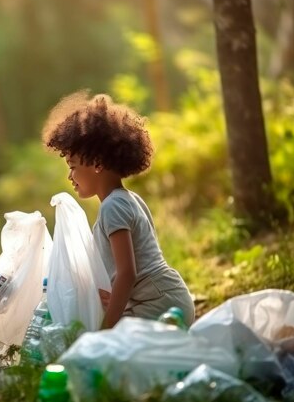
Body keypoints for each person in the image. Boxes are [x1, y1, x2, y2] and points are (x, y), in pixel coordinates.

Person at [42, 90, 195, 328]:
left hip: (160, 303)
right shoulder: (126, 199)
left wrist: (106, 328)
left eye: (72, 166)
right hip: (164, 297)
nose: (70, 176)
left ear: (97, 164)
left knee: (102, 346)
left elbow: (127, 273)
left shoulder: (113, 206)